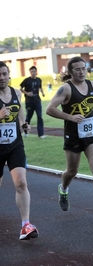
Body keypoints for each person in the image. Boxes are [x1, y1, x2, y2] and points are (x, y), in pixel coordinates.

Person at [45, 56, 93, 222]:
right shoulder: (66, 89)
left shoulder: (92, 84)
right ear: (70, 72)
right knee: (72, 171)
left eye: (84, 68)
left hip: (92, 133)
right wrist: (70, 117)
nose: (81, 72)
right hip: (74, 135)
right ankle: (63, 189)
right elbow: (49, 109)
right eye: (77, 69)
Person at [0, 61, 39, 240]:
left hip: (15, 144)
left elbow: (19, 110)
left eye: (4, 74)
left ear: (9, 75)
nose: (1, 78)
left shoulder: (16, 92)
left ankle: (25, 225)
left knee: (21, 183)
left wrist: (23, 123)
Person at [19, 66, 45, 138]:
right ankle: (26, 131)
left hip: (37, 100)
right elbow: (21, 88)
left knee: (39, 116)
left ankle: (41, 134)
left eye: (34, 71)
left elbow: (40, 87)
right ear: (30, 72)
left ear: (36, 71)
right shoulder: (27, 80)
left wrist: (42, 93)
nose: (33, 73)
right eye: (32, 72)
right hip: (29, 101)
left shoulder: (39, 80)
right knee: (28, 117)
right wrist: (27, 93)